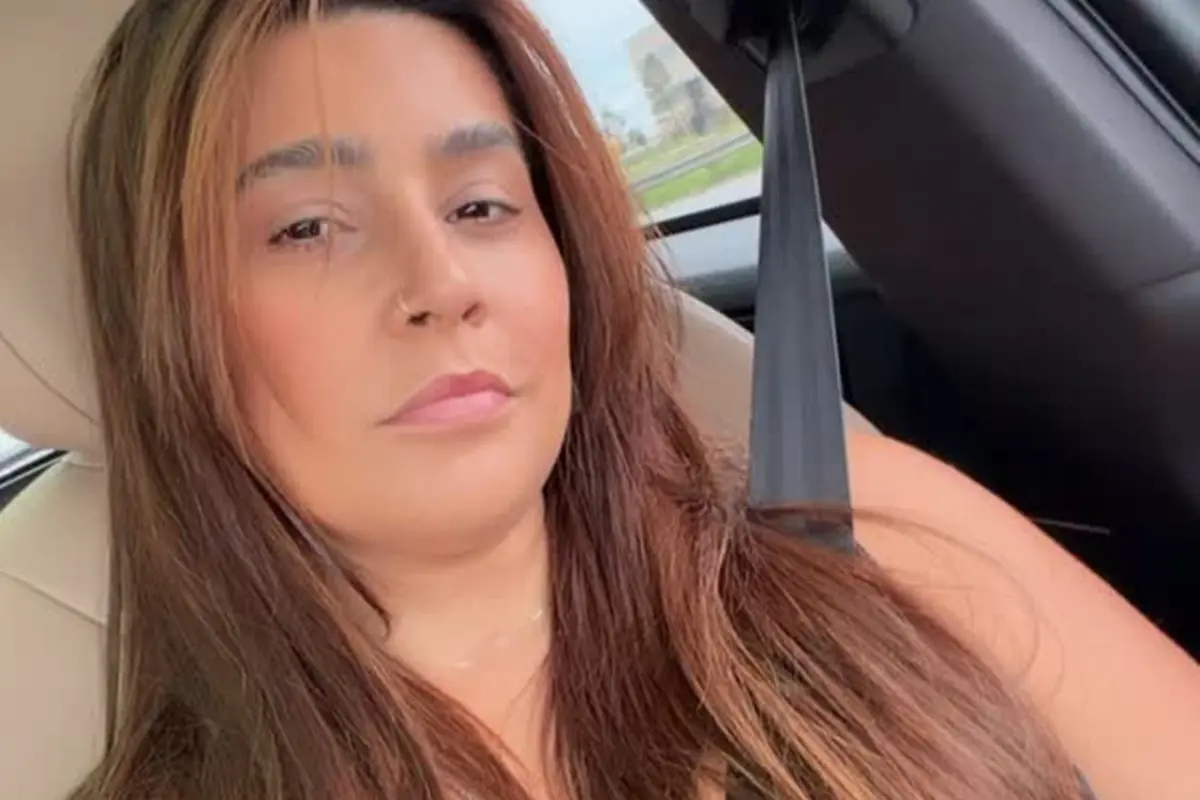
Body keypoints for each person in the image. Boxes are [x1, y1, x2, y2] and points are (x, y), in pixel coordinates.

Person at [66, 1, 1198, 798]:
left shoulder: (875, 531)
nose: (441, 284)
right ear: (173, 327)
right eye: (309, 227)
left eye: (480, 206)